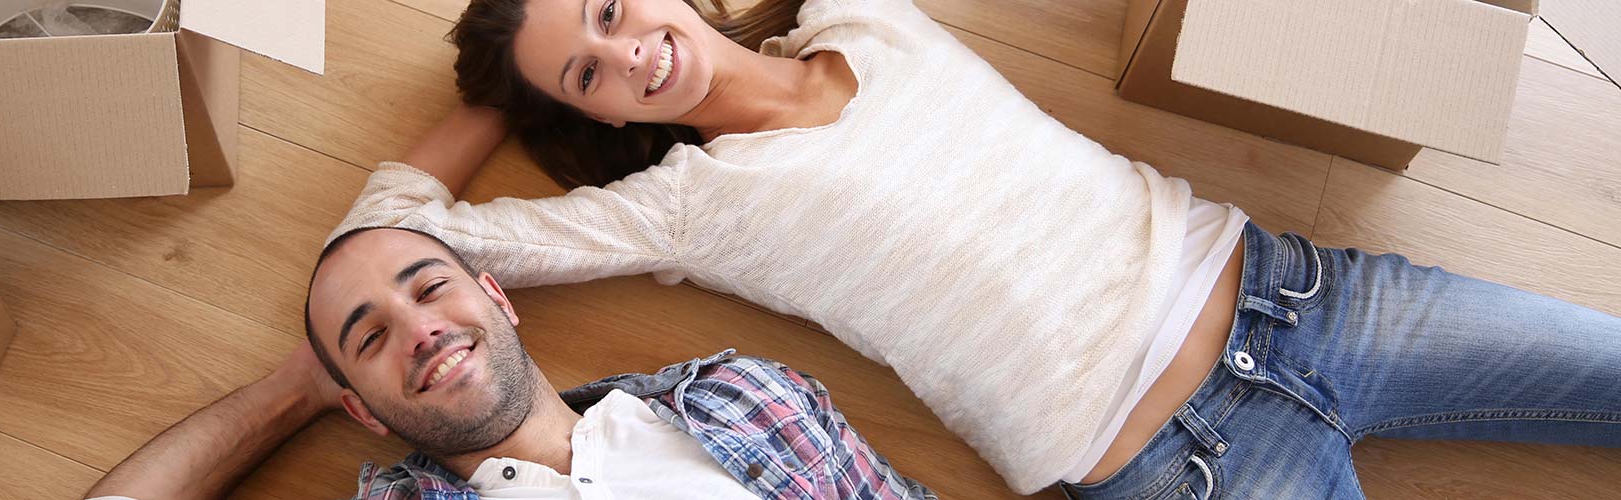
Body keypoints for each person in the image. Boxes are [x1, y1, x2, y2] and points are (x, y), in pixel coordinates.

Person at [333, 0, 1621, 497]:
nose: (630, 49)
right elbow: (390, 234)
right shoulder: (678, 206)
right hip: (1187, 467)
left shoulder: (860, 14)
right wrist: (506, 85)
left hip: (1305, 293)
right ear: (591, 115)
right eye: (590, 70)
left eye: (612, 9)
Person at [82, 226, 938, 500]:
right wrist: (296, 387)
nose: (417, 329)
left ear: (498, 296)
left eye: (430, 289)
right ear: (362, 412)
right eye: (369, 337)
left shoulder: (742, 394)